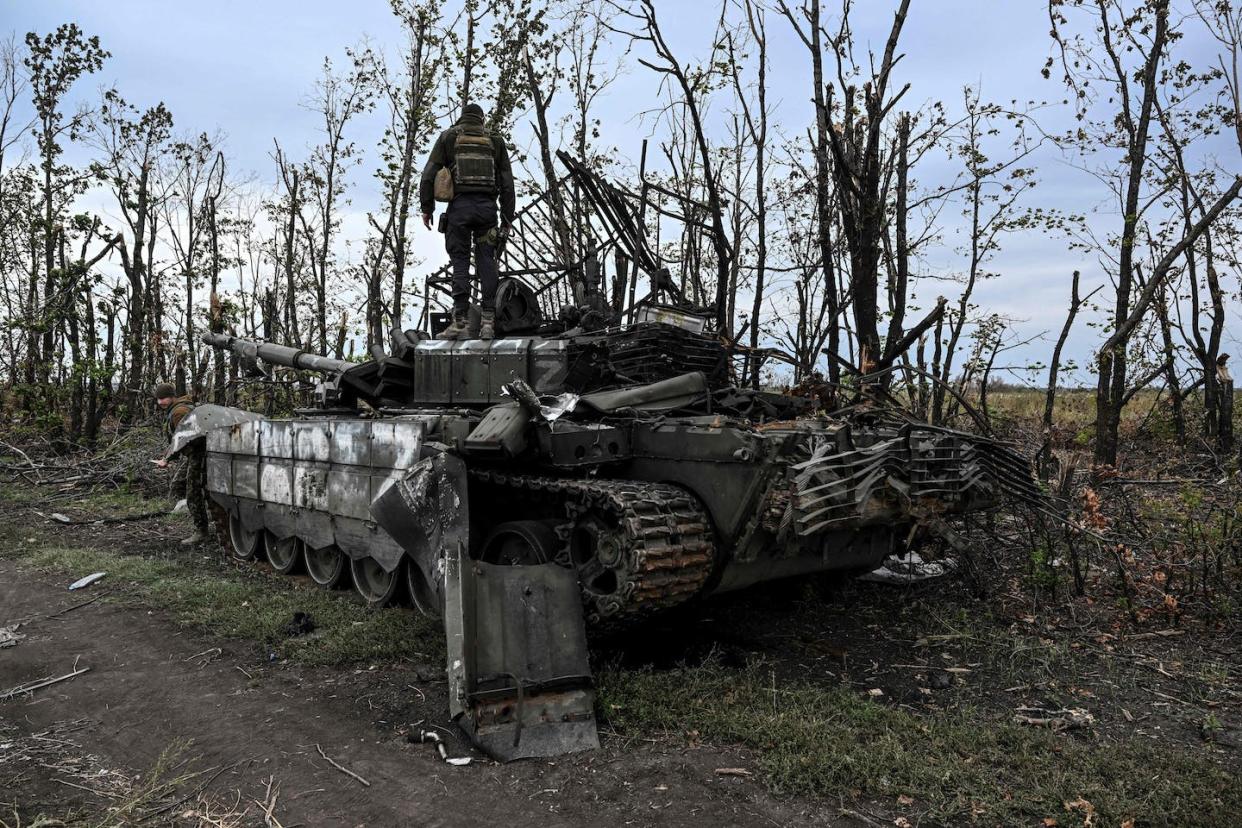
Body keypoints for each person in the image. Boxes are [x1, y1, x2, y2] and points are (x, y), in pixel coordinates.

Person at [419, 102, 515, 340]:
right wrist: (506, 218)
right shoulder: (495, 141)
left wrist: (427, 208)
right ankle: (488, 323)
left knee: (460, 261)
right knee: (486, 261)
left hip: (459, 210)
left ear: (462, 119)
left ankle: (459, 324)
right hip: (487, 211)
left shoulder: (449, 137)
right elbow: (507, 183)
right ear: (482, 120)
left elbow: (428, 174)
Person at [152, 383, 210, 545]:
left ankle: (202, 531)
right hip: (193, 453)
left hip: (198, 453)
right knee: (178, 484)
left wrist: (167, 459)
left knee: (192, 492)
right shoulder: (178, 408)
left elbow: (184, 438)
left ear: (172, 397)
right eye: (158, 399)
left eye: (163, 398)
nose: (160, 402)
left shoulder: (179, 411)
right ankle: (201, 511)